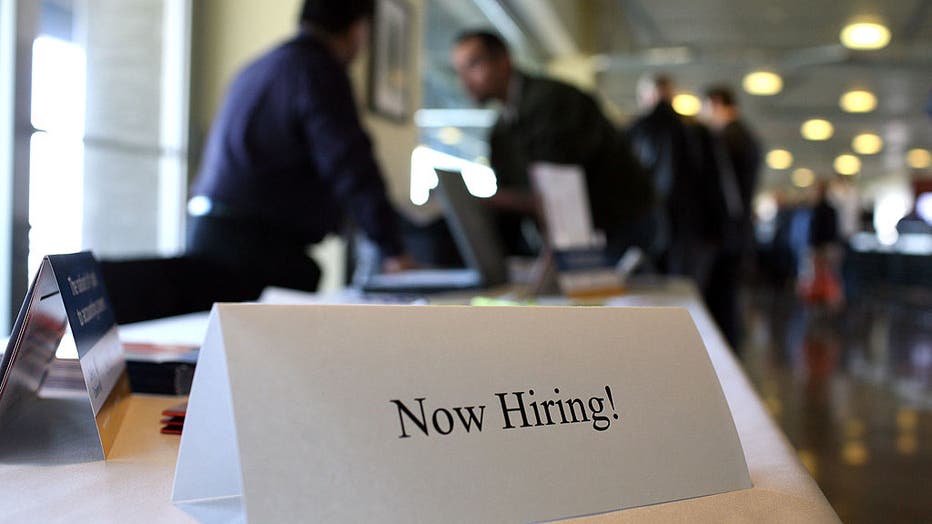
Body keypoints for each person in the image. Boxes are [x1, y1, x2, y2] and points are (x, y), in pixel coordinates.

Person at [186, 0, 414, 297]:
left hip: (206, 235)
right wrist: (393, 250)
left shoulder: (257, 68)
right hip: (256, 253)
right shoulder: (319, 70)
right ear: (358, 30)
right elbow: (352, 166)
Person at [450, 30, 653, 261]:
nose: (465, 80)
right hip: (583, 235)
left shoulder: (552, 101)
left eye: (473, 65)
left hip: (617, 227)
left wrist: (485, 200)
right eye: (460, 71)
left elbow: (554, 189)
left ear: (503, 60)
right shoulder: (501, 130)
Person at [628, 73, 712, 278]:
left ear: (647, 96)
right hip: (687, 227)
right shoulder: (694, 131)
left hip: (645, 223)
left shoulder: (636, 130)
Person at [701, 85, 762, 351]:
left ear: (715, 103)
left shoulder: (726, 138)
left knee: (722, 304)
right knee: (730, 301)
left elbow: (721, 193)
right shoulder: (748, 137)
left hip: (726, 234)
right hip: (740, 231)